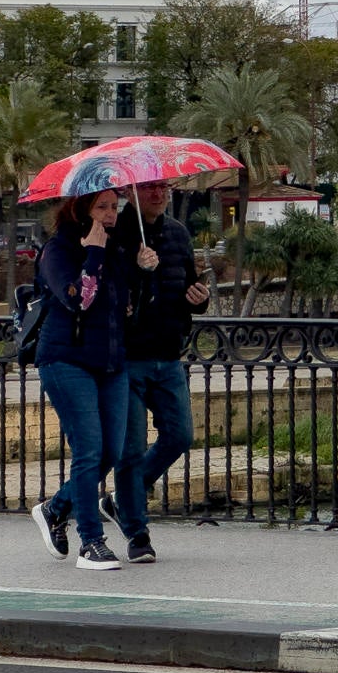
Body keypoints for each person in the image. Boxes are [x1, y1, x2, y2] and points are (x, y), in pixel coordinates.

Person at [29, 189, 157, 570]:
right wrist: (94, 252)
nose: (110, 214)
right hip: (66, 360)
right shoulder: (59, 249)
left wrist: (143, 273)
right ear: (80, 208)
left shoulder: (118, 248)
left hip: (110, 363)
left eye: (115, 207)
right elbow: (76, 300)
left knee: (111, 453)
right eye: (101, 207)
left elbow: (128, 311)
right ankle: (91, 542)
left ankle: (56, 508)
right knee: (88, 450)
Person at [104, 181, 209, 564]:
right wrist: (137, 269)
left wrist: (200, 299)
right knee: (129, 450)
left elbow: (187, 285)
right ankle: (137, 533)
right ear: (131, 193)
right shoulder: (118, 233)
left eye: (162, 187)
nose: (158, 194)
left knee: (180, 436)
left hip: (169, 354)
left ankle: (123, 498)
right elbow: (113, 293)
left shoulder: (178, 233)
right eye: (149, 188)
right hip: (129, 357)